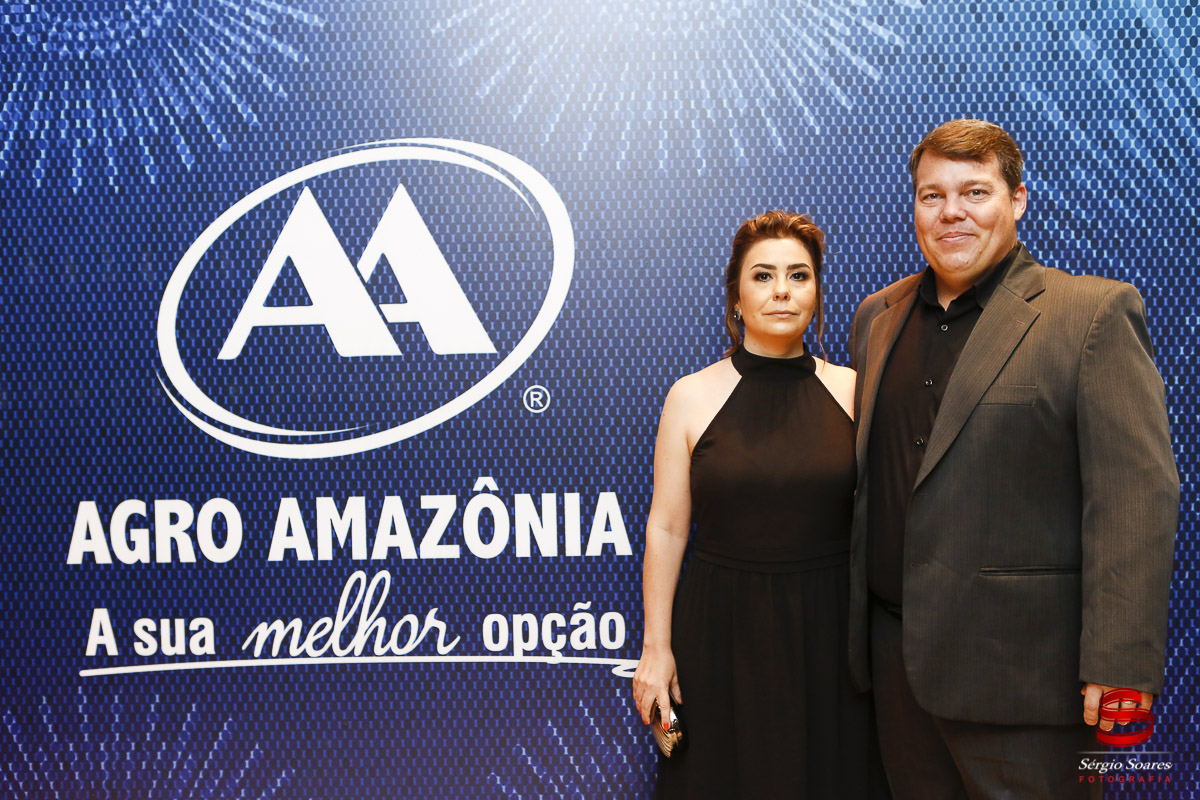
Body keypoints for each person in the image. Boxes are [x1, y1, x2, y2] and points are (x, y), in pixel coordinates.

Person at [847, 119, 1179, 798]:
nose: (952, 212)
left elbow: (1134, 497)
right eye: (933, 196)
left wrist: (1120, 663)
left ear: (1018, 200)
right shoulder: (877, 317)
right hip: (895, 672)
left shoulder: (1090, 314)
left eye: (975, 192)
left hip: (1025, 681)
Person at [633, 211, 887, 798]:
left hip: (832, 633)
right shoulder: (690, 396)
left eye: (798, 276)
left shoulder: (855, 389)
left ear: (816, 293)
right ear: (736, 295)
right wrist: (656, 648)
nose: (781, 291)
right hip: (720, 631)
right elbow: (667, 528)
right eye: (763, 276)